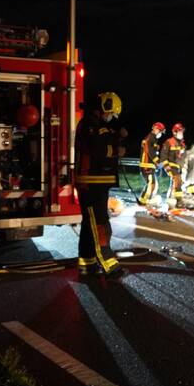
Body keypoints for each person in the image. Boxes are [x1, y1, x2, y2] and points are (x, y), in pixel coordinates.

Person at [74, 92, 123, 276]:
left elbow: (103, 142)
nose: (110, 117)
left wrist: (116, 137)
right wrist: (116, 149)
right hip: (92, 183)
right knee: (100, 223)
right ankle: (109, 263)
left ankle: (87, 264)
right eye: (110, 113)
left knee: (89, 224)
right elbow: (96, 148)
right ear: (105, 107)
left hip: (97, 182)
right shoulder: (90, 124)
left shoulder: (96, 124)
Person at [160, 122, 187, 208]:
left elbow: (182, 156)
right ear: (174, 132)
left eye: (182, 131)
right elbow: (163, 156)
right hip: (171, 166)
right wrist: (166, 166)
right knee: (178, 181)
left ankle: (170, 200)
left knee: (176, 183)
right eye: (180, 131)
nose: (182, 133)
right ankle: (179, 201)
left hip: (178, 167)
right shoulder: (169, 142)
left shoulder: (181, 143)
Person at [138, 122, 165, 205]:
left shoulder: (151, 138)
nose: (160, 134)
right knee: (151, 183)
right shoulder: (151, 138)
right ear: (156, 129)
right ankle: (144, 202)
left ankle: (143, 200)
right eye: (160, 131)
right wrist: (158, 162)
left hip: (148, 165)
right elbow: (151, 152)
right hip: (147, 165)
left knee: (151, 184)